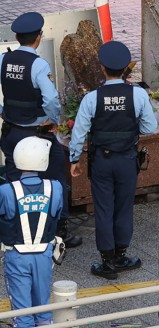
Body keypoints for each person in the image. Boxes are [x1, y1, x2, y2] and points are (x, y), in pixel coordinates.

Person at [68, 41, 158, 279]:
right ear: (126, 68)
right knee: (124, 207)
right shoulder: (137, 94)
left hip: (101, 161)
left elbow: (79, 132)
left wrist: (74, 159)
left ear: (102, 68)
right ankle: (121, 254)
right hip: (127, 160)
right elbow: (150, 127)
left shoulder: (92, 99)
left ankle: (106, 262)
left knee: (104, 208)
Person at [0, 12, 79, 249]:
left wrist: (3, 110)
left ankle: (16, 231)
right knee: (56, 179)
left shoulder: (4, 60)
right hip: (38, 133)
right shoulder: (38, 64)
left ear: (16, 37)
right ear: (39, 38)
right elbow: (52, 99)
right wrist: (52, 119)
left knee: (15, 182)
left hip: (11, 131)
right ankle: (59, 231)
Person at [0, 137, 65, 328]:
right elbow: (57, 213)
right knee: (43, 307)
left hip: (17, 255)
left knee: (22, 312)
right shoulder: (55, 187)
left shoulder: (6, 191)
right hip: (44, 254)